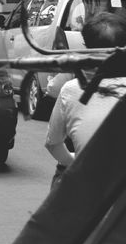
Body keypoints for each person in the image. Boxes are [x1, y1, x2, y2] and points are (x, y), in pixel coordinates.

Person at [45, 12, 126, 183]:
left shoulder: (72, 89)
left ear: (87, 47)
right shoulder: (73, 86)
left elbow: (52, 144)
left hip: (87, 183)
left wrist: (75, 161)